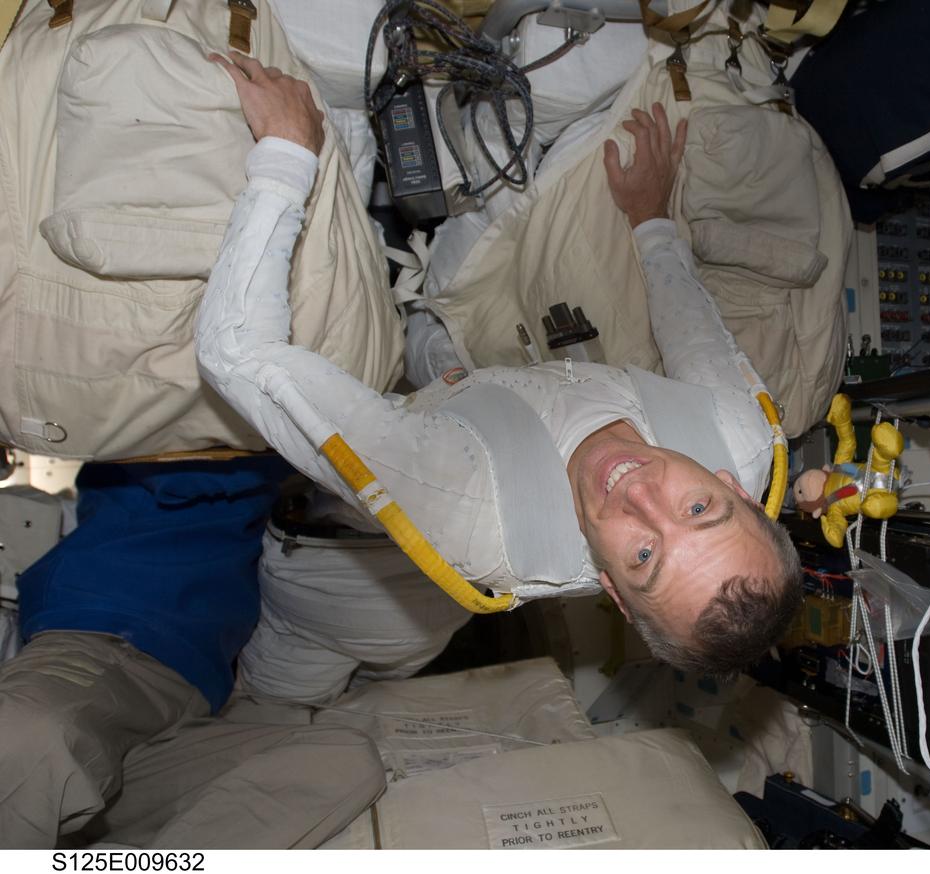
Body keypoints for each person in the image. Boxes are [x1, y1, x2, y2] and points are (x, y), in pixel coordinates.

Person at [196, 52, 803, 676]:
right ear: (734, 485)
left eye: (646, 555)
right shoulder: (740, 434)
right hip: (507, 376)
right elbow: (695, 337)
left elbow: (236, 351)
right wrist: (650, 219)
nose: (640, 495)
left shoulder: (467, 503)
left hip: (433, 423)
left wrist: (285, 153)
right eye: (698, 509)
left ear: (613, 592)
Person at [0, 459, 386, 848]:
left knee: (340, 761)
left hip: (179, 713)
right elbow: (184, 461)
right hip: (105, 637)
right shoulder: (163, 451)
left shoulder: (272, 508)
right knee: (24, 734)